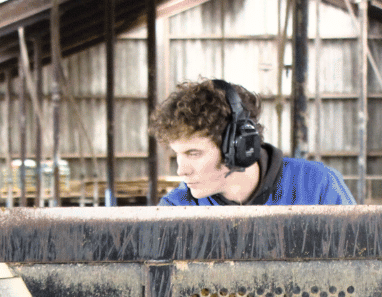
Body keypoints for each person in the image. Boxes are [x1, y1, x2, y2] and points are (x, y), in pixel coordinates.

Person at [151, 78, 355, 206]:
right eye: (177, 154)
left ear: (239, 146)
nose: (181, 171)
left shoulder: (318, 186)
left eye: (193, 153)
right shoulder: (177, 207)